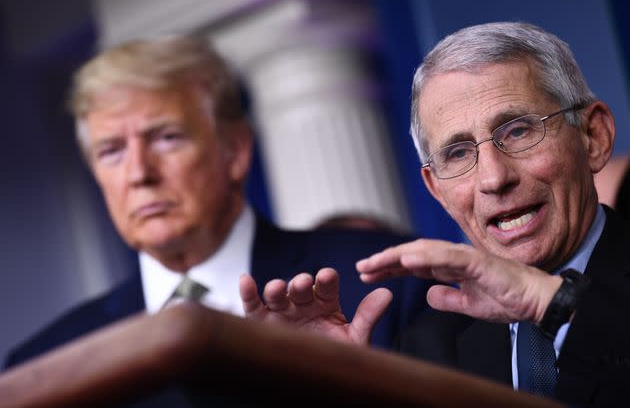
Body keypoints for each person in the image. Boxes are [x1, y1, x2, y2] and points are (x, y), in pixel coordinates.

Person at [239, 22, 630, 406]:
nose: (494, 178)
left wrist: (553, 303)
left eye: (518, 131)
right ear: (436, 190)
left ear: (593, 137)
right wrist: (336, 387)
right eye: (458, 153)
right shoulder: (429, 348)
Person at [4, 36, 428, 368]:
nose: (139, 174)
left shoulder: (386, 280)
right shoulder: (47, 361)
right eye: (112, 151)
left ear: (235, 151)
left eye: (166, 138)